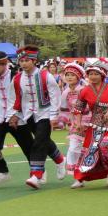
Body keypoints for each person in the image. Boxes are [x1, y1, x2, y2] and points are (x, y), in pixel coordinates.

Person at [11, 45, 65, 189]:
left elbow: (55, 95)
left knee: (39, 142)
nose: (24, 63)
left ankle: (36, 175)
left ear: (34, 61)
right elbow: (16, 98)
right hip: (28, 114)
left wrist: (54, 115)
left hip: (45, 113)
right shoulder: (17, 79)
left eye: (27, 60)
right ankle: (60, 160)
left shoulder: (45, 76)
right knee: (44, 140)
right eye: (21, 61)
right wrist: (15, 114)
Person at [70, 60, 108, 189]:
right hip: (95, 125)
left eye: (96, 74)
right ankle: (80, 178)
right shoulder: (84, 91)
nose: (93, 76)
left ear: (102, 75)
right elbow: (78, 109)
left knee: (105, 146)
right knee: (90, 152)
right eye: (90, 74)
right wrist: (78, 123)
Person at [0, 51, 33, 186]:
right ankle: (2, 172)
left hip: (17, 116)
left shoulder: (16, 75)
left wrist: (17, 114)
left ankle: (37, 172)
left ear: (5, 64)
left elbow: (24, 97)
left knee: (27, 146)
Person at [56, 62, 90, 179]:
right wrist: (62, 121)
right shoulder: (65, 92)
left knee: (93, 148)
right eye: (67, 75)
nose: (69, 77)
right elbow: (64, 109)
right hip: (76, 125)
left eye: (72, 75)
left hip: (89, 123)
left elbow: (91, 107)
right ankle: (77, 173)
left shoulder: (84, 90)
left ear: (78, 77)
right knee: (73, 147)